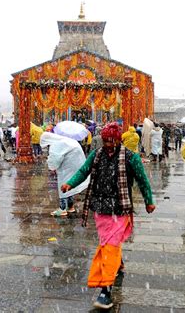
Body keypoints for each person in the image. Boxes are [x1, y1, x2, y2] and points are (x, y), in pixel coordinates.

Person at [60, 122, 155, 309]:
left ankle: (105, 290)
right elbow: (83, 171)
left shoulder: (130, 157)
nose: (108, 145)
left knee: (109, 246)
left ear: (118, 140)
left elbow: (142, 180)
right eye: (105, 141)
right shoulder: (96, 155)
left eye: (111, 141)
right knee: (108, 243)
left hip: (120, 209)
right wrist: (70, 183)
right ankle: (117, 264)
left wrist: (148, 200)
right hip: (100, 208)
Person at [40, 132, 89, 217]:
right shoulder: (65, 141)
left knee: (62, 186)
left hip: (67, 168)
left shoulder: (56, 145)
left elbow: (55, 160)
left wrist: (51, 165)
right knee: (69, 184)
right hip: (76, 165)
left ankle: (62, 209)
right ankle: (70, 206)